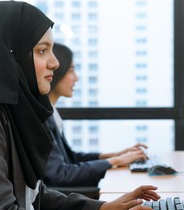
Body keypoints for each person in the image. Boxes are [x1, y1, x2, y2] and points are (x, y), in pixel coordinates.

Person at [0, 0, 162, 210]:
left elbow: (32, 194)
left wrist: (103, 208)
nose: (55, 62)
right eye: (42, 50)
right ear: (9, 57)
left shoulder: (6, 106)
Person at [44, 43, 148, 188]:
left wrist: (115, 155)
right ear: (55, 71)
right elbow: (60, 174)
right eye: (71, 70)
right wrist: (116, 161)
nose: (76, 78)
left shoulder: (51, 113)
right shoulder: (42, 117)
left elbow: (71, 158)